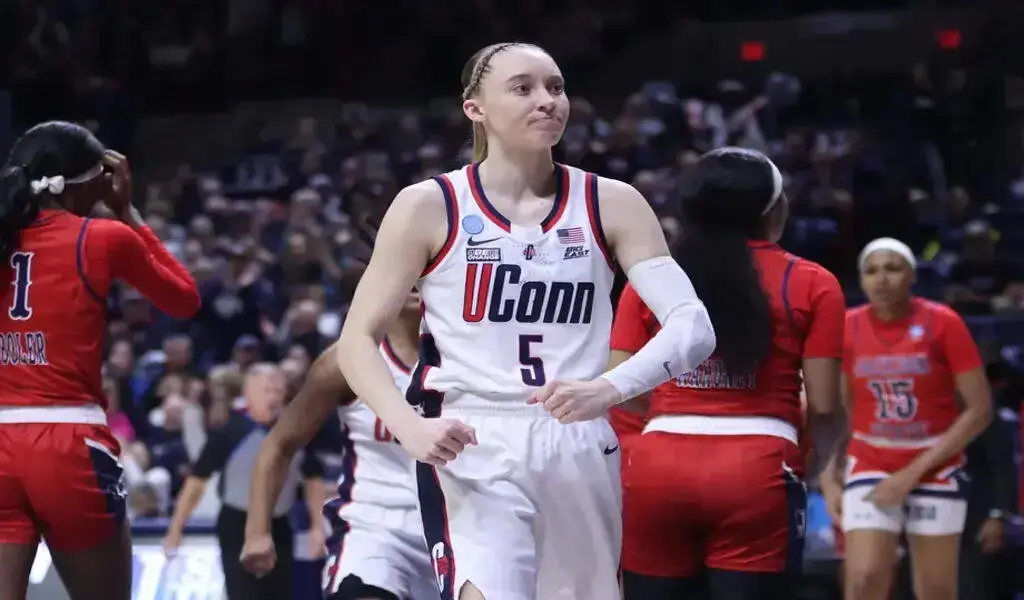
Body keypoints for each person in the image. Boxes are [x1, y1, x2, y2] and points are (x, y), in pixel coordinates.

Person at [335, 42, 716, 600]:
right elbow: (356, 341)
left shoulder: (613, 202)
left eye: (556, 87)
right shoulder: (428, 204)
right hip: (473, 438)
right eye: (524, 88)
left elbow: (692, 326)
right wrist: (410, 426)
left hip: (578, 435)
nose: (547, 101)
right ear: (475, 109)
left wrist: (610, 387)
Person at [610, 147, 847, 600]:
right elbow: (825, 405)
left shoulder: (653, 278)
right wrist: (812, 465)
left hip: (658, 466)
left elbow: (620, 386)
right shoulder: (813, 281)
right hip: (758, 467)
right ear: (773, 209)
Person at [0, 121, 201, 600]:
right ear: (89, 182)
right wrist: (129, 212)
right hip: (68, 442)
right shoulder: (103, 236)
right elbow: (185, 299)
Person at [819, 238, 993, 600]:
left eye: (892, 268)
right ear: (862, 281)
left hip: (935, 462)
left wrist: (910, 475)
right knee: (864, 579)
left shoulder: (943, 322)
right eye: (871, 271)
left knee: (935, 590)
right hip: (870, 461)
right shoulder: (846, 327)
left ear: (912, 275)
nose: (881, 279)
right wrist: (828, 479)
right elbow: (836, 412)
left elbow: (980, 410)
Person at [241, 290, 438, 600]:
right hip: (375, 530)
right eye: (410, 261)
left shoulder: (481, 358)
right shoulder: (343, 360)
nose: (416, 276)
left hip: (462, 528)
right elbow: (280, 443)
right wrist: (256, 532)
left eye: (428, 262)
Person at [163, 363, 311, 600]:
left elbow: (312, 476)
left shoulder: (296, 431)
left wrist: (316, 529)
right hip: (236, 524)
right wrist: (175, 529)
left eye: (277, 389)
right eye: (266, 389)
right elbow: (197, 482)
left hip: (280, 524)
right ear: (248, 393)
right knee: (242, 593)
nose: (273, 395)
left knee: (281, 593)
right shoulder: (229, 431)